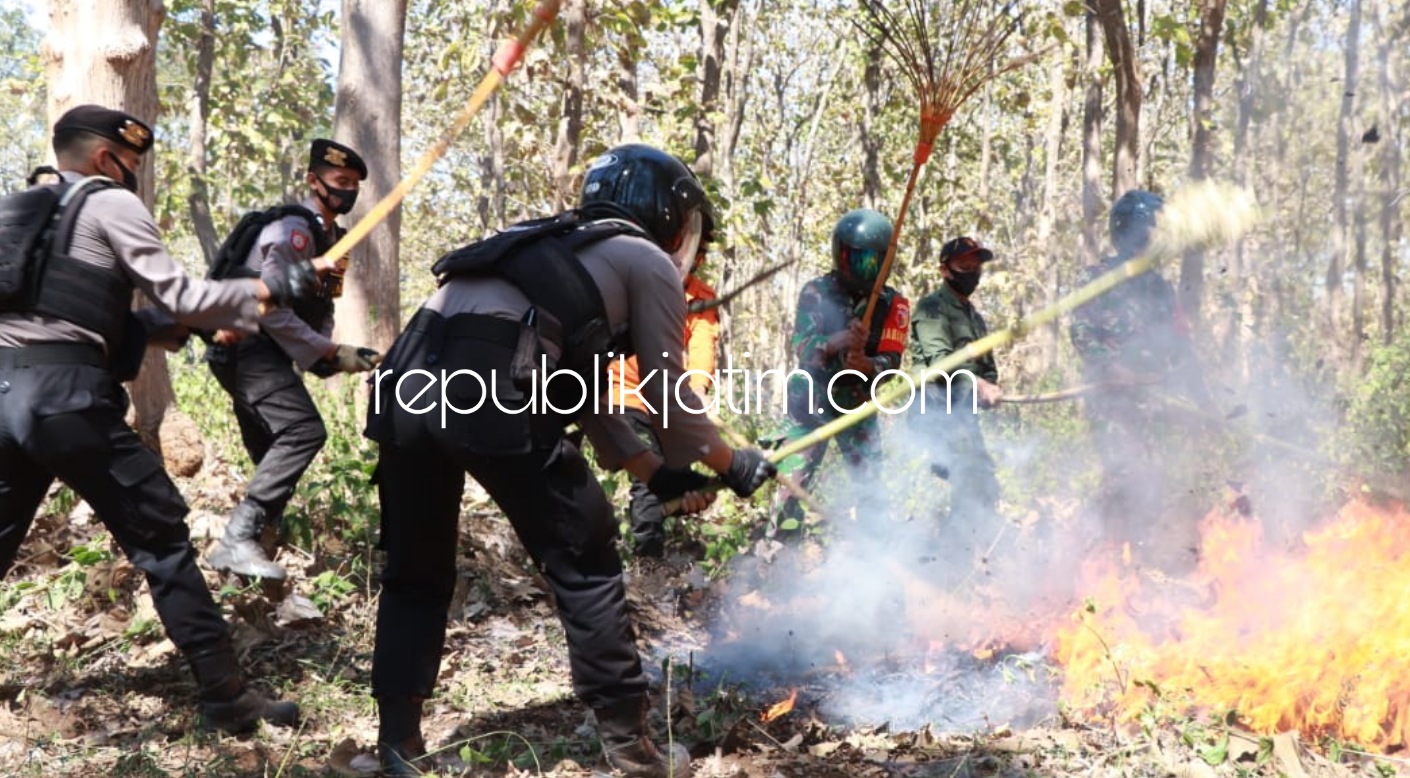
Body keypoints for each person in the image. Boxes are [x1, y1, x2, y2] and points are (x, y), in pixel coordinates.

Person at [363, 143, 775, 777]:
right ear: (668, 214)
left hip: (407, 380)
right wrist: (730, 462)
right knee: (586, 559)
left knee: (416, 573)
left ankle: (398, 746)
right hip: (491, 385)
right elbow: (668, 395)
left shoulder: (547, 245)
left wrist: (655, 473)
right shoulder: (643, 258)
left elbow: (578, 392)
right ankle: (631, 749)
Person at [0, 105, 318, 732]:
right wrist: (278, 287)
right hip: (66, 401)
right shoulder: (110, 204)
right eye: (132, 164)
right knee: (162, 540)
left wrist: (152, 329)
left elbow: (65, 317)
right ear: (102, 159)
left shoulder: (18, 210)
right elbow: (188, 296)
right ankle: (227, 698)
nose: (134, 177)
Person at [203, 139, 381, 581]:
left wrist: (331, 353)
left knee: (271, 450)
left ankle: (256, 552)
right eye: (340, 181)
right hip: (245, 343)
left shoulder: (336, 241)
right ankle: (237, 539)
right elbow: (271, 304)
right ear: (313, 181)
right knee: (302, 431)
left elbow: (322, 306)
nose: (347, 192)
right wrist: (324, 351)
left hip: (269, 350)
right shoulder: (293, 231)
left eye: (354, 185)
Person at [1070, 189, 1207, 572]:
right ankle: (1103, 566)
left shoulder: (1160, 289)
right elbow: (1081, 332)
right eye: (1145, 230)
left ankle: (1147, 564)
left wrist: (1203, 400)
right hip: (1111, 400)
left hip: (1155, 402)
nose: (1151, 239)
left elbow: (1182, 346)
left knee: (1156, 481)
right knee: (1123, 474)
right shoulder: (1096, 279)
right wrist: (1111, 368)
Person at [773, 208, 910, 530]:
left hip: (857, 401)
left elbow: (892, 360)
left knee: (871, 484)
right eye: (860, 260)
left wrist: (867, 365)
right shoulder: (816, 292)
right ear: (842, 255)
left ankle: (875, 556)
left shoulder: (894, 304)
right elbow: (802, 347)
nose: (868, 269)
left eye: (876, 262)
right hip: (811, 398)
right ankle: (778, 554)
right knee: (792, 484)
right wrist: (834, 343)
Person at [607, 208, 720, 558]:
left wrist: (698, 389)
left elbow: (703, 345)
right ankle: (647, 565)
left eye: (699, 252)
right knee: (649, 479)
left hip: (670, 403)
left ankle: (651, 546)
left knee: (677, 479)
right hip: (623, 394)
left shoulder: (701, 297)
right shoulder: (634, 276)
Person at [909, 236, 1002, 549]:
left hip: (963, 417)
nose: (972, 272)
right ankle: (948, 562)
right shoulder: (931, 309)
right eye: (964, 266)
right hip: (935, 412)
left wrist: (989, 386)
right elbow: (941, 363)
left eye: (976, 266)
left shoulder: (975, 317)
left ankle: (971, 555)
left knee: (985, 486)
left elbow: (988, 369)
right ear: (945, 270)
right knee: (970, 480)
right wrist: (977, 384)